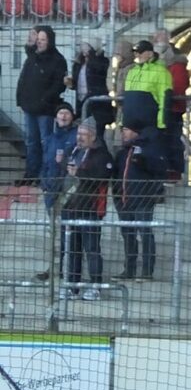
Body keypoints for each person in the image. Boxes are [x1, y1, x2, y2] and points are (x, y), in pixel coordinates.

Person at [62, 118, 112, 297]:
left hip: (91, 209)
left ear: (93, 136)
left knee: (92, 250)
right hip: (72, 208)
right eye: (78, 134)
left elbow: (101, 177)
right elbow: (65, 171)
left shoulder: (102, 155)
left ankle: (96, 287)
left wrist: (80, 173)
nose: (79, 137)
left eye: (83, 134)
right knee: (73, 249)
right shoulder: (75, 151)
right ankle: (72, 286)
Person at [17, 25, 68, 183]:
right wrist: (21, 99)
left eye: (42, 40)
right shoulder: (32, 58)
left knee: (46, 142)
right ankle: (30, 174)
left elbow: (59, 85)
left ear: (50, 41)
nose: (39, 43)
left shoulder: (58, 60)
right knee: (31, 142)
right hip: (29, 107)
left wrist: (44, 99)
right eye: (38, 40)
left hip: (45, 109)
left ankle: (44, 175)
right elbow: (24, 79)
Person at [114, 122, 162, 280]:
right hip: (124, 200)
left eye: (127, 130)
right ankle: (129, 269)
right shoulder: (122, 153)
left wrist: (143, 162)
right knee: (128, 235)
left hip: (143, 199)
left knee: (145, 234)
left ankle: (147, 271)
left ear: (136, 132)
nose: (123, 134)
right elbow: (116, 175)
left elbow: (158, 170)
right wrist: (117, 195)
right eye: (122, 131)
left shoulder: (148, 149)